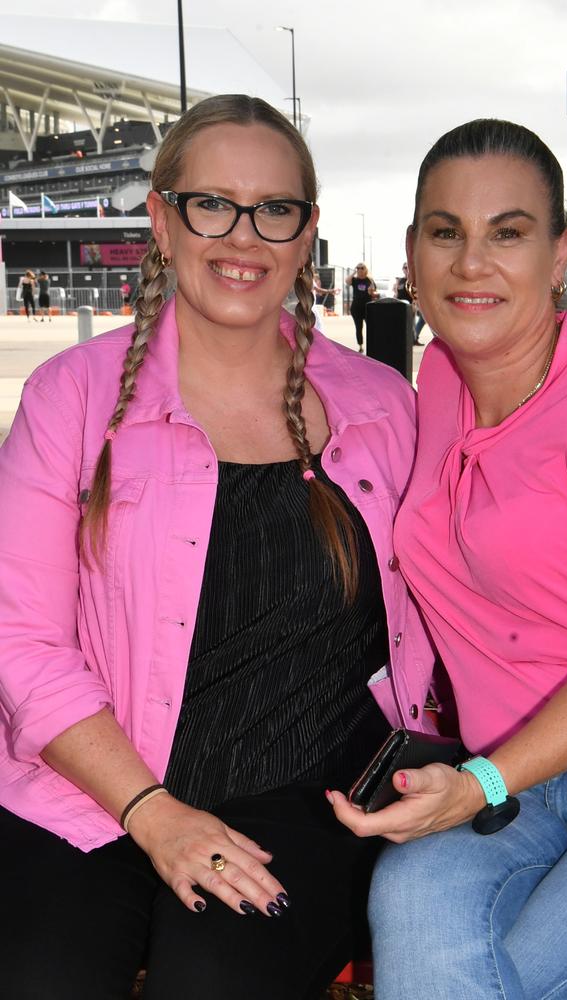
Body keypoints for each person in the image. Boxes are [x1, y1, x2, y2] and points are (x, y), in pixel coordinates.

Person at [0, 94, 435, 1000]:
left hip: (310, 792)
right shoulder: (70, 396)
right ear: (162, 218)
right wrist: (152, 812)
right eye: (212, 204)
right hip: (96, 782)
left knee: (215, 982)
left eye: (274, 209)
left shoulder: (383, 402)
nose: (244, 237)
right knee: (45, 975)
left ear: (306, 231)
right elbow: (23, 642)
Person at [329, 119, 567, 999]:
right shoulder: (432, 381)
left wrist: (476, 784)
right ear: (413, 253)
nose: (472, 263)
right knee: (414, 908)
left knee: (520, 980)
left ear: (558, 257)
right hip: (510, 782)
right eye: (447, 232)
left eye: (507, 232)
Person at [345, 262, 376, 351]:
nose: (359, 270)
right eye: (358, 268)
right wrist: (354, 272)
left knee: (371, 326)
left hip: (367, 307)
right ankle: (360, 345)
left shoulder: (369, 280)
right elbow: (347, 281)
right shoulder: (355, 280)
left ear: (365, 269)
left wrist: (371, 292)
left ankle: (372, 344)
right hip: (356, 308)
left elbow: (373, 292)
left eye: (362, 268)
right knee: (359, 327)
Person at [393, 262, 422, 345]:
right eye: (405, 268)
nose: (406, 269)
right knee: (400, 324)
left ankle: (413, 340)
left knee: (411, 325)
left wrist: (414, 304)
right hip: (399, 306)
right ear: (402, 269)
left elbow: (416, 293)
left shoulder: (413, 280)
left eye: (408, 267)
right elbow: (397, 293)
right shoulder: (400, 280)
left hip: (409, 306)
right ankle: (401, 340)